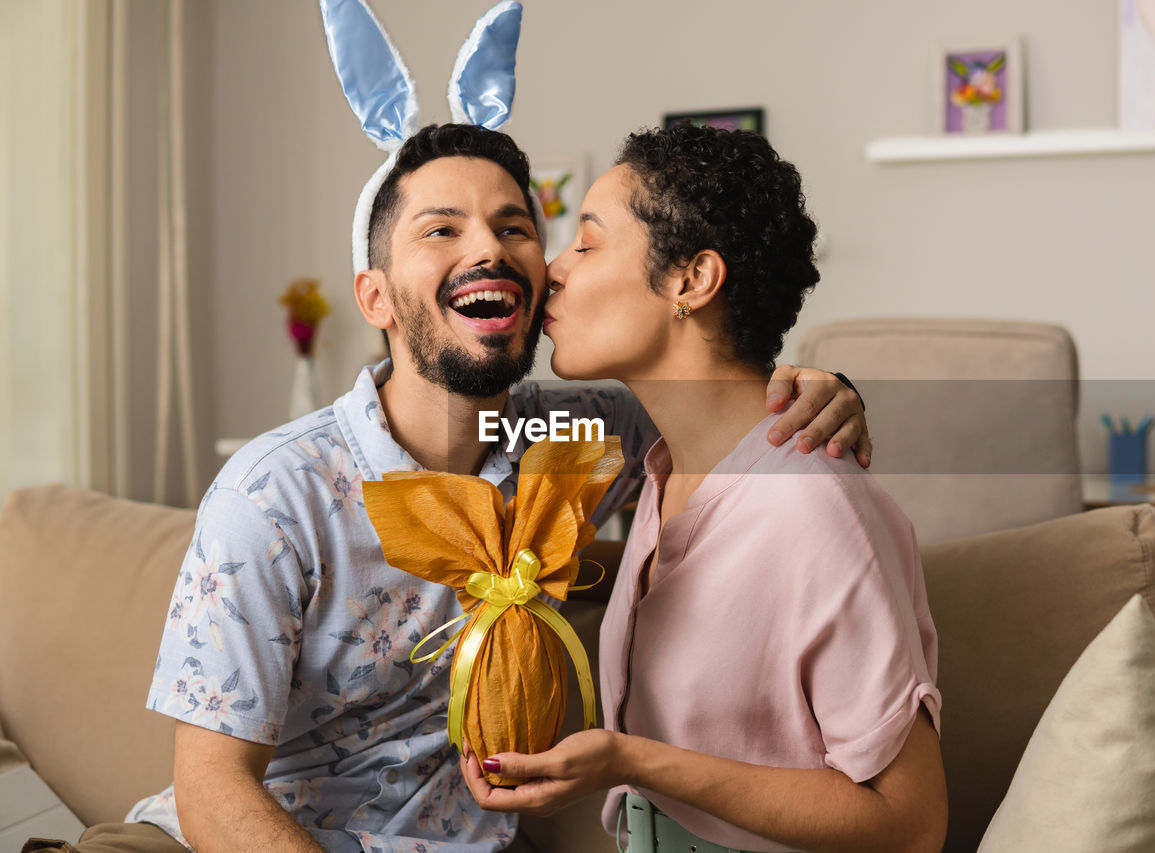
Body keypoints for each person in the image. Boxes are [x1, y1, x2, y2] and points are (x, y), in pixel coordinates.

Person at [22, 124, 870, 853]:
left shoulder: (579, 436)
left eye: (515, 225)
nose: (488, 247)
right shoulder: (274, 496)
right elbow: (211, 789)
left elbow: (715, 398)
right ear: (376, 297)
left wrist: (825, 386)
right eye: (441, 230)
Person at [459, 124, 946, 853]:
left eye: (587, 244)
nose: (553, 270)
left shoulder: (813, 506)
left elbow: (911, 826)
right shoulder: (657, 467)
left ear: (691, 280)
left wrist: (628, 758)